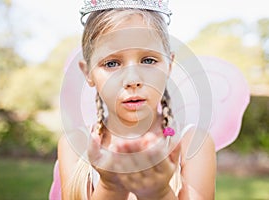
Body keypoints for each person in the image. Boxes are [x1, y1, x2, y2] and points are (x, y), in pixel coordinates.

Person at [54, 1, 217, 200]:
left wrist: (159, 193)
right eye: (112, 63)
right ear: (88, 72)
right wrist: (111, 187)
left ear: (169, 65)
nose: (133, 80)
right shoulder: (75, 145)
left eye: (148, 60)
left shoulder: (192, 144)